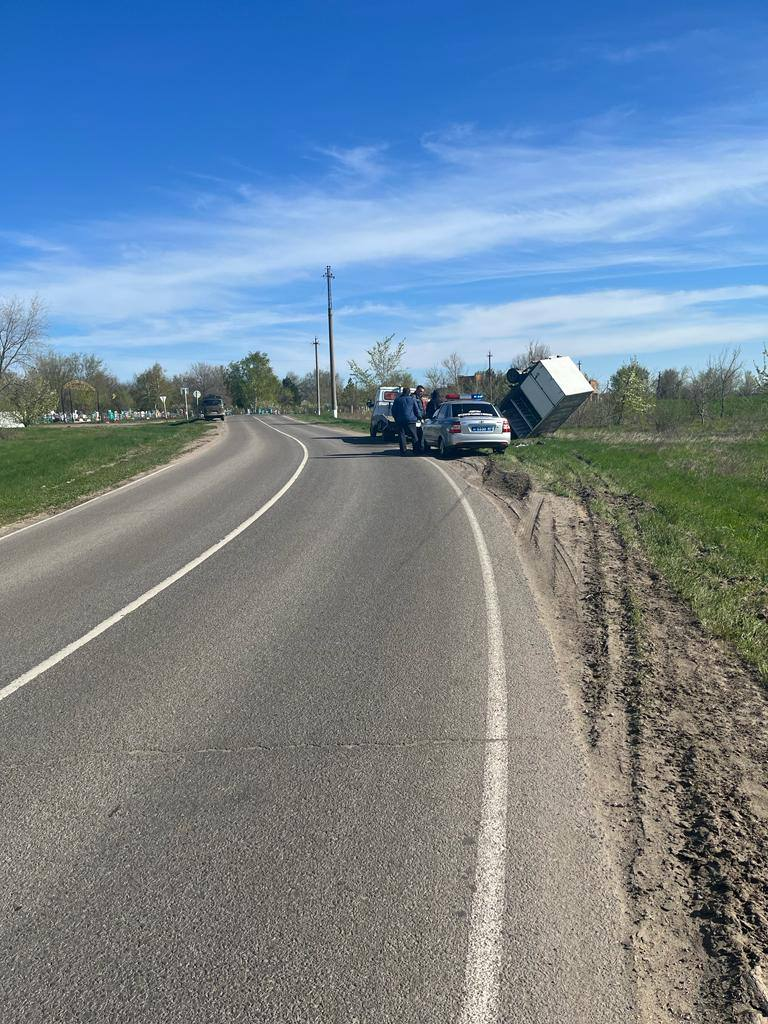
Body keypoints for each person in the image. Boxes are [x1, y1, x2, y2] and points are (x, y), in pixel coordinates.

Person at [391, 386, 423, 456]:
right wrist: (420, 418)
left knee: (401, 435)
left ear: (403, 392)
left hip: (400, 420)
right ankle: (416, 451)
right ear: (409, 393)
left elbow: (393, 411)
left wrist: (396, 418)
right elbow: (416, 410)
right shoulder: (412, 399)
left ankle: (403, 451)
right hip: (411, 420)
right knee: (414, 435)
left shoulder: (397, 400)